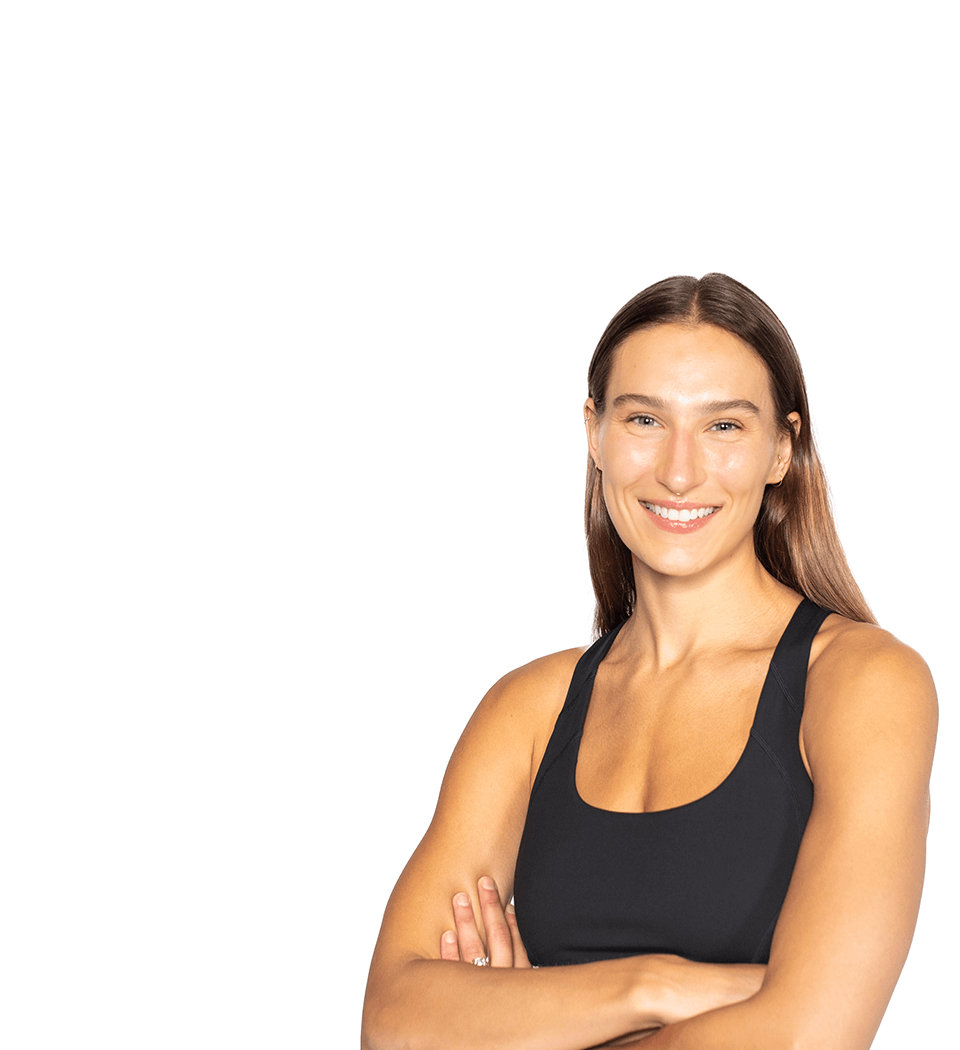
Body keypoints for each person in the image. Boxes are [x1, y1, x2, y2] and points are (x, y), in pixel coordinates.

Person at [360, 274, 937, 1049]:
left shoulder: (862, 684)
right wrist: (656, 985)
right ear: (594, 433)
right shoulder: (529, 710)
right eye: (643, 419)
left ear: (781, 449)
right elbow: (393, 1021)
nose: (678, 471)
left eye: (724, 426)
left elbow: (808, 1037)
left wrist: (522, 1017)